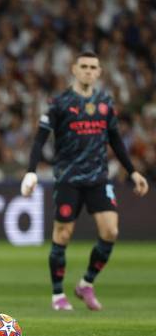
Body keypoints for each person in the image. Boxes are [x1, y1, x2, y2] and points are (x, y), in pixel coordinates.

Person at [20, 51, 149, 311]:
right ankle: (58, 295)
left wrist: (133, 171)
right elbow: (39, 139)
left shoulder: (105, 102)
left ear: (99, 72)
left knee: (111, 232)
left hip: (99, 178)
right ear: (74, 70)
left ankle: (86, 284)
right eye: (84, 66)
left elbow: (115, 140)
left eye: (94, 67)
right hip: (68, 179)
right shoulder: (59, 102)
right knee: (63, 234)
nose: (89, 71)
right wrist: (31, 171)